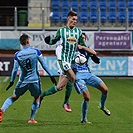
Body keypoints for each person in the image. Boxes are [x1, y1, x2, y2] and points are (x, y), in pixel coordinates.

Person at [40, 11, 96, 108]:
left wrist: (92, 55)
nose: (75, 21)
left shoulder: (78, 31)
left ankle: (42, 95)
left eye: (76, 20)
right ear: (68, 18)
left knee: (60, 87)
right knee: (73, 77)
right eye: (73, 19)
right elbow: (54, 41)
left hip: (72, 60)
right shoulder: (61, 31)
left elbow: (83, 45)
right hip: (63, 59)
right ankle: (67, 102)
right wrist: (49, 42)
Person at [0, 34, 56, 123]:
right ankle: (32, 119)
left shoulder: (17, 55)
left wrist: (11, 81)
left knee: (14, 97)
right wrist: (51, 75)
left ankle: (2, 110)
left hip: (23, 81)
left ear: (21, 43)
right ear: (27, 42)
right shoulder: (36, 51)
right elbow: (44, 64)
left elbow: (14, 70)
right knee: (37, 97)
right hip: (34, 80)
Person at [73, 33, 111, 124]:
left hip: (88, 74)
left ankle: (102, 106)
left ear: (85, 40)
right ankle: (83, 119)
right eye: (80, 38)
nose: (82, 39)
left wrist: (83, 47)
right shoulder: (72, 49)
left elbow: (94, 53)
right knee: (87, 97)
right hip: (78, 76)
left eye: (83, 38)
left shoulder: (86, 49)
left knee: (105, 89)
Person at [55, 39, 73, 112]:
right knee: (59, 87)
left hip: (67, 66)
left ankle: (66, 102)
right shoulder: (59, 48)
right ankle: (42, 96)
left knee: (70, 81)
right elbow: (60, 59)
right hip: (64, 66)